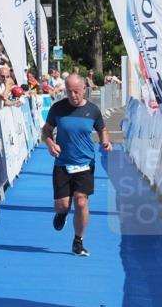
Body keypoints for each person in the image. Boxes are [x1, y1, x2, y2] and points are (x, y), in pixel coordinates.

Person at [42, 74, 111, 257]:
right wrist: (50, 144)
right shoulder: (58, 108)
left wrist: (105, 142)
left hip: (85, 163)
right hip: (63, 164)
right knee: (63, 206)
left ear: (84, 90)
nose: (72, 95)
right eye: (69, 91)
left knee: (81, 201)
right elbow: (46, 130)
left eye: (76, 92)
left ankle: (78, 241)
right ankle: (62, 214)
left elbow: (102, 128)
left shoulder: (92, 110)